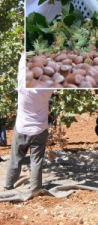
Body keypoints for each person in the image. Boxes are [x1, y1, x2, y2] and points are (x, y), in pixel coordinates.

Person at [4, 52, 55, 191]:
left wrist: (23, 54)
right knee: (36, 161)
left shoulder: (23, 86)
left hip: (21, 129)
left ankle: (8, 185)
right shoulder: (47, 89)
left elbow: (21, 66)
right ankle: (35, 188)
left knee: (15, 159)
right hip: (39, 130)